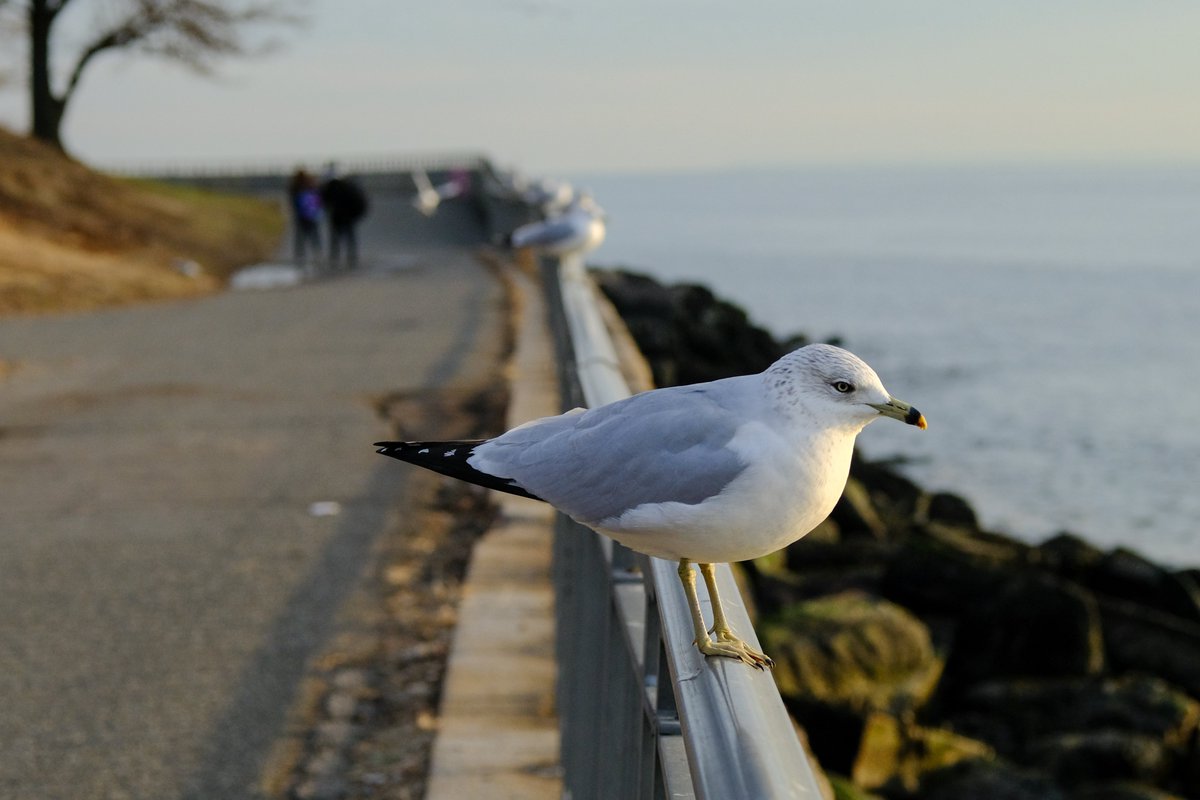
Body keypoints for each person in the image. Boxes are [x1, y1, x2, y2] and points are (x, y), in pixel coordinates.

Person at [319, 164, 369, 270]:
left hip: (338, 216)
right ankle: (351, 257)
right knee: (349, 237)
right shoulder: (346, 186)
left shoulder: (330, 188)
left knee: (336, 238)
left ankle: (335, 258)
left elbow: (324, 201)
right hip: (347, 216)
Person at [287, 168, 322, 269]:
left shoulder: (295, 187)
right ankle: (317, 253)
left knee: (300, 237)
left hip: (300, 215)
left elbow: (292, 201)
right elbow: (317, 199)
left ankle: (300, 256)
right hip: (312, 214)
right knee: (314, 235)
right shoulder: (311, 185)